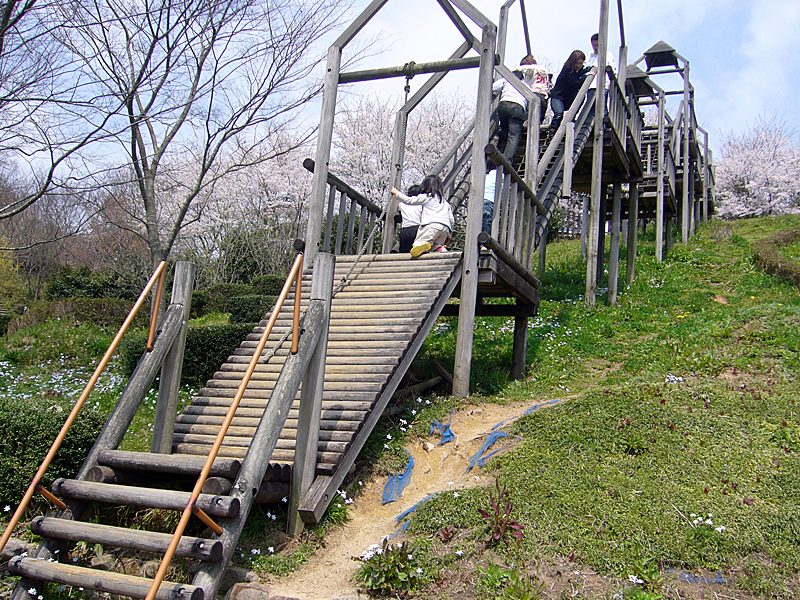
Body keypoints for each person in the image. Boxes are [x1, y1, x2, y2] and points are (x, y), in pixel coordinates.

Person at [390, 175, 453, 257]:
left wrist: (397, 193)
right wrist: (449, 234)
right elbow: (451, 219)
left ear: (427, 187)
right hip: (445, 228)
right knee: (436, 245)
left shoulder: (427, 197)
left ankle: (421, 247)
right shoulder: (445, 202)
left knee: (418, 243)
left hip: (432, 226)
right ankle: (440, 249)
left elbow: (409, 200)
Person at [547, 50, 588, 142]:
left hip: (568, 99)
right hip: (558, 97)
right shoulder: (567, 70)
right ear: (572, 62)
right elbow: (576, 83)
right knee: (558, 114)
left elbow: (582, 71)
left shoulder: (577, 71)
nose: (579, 65)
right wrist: (586, 76)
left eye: (581, 63)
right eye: (577, 63)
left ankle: (572, 118)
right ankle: (552, 133)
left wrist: (589, 69)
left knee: (581, 97)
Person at [491, 70, 529, 164]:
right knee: (514, 136)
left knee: (505, 129)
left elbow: (492, 87)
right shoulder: (525, 85)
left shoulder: (506, 80)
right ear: (522, 78)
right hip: (517, 107)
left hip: (503, 105)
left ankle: (504, 144)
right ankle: (507, 160)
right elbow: (531, 100)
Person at [585, 33, 616, 115]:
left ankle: (602, 126)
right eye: (594, 45)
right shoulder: (590, 56)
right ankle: (590, 127)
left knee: (602, 108)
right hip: (591, 85)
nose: (595, 47)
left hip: (603, 85)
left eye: (597, 45)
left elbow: (613, 70)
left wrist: (611, 84)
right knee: (590, 108)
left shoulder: (608, 55)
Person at [391, 184, 423, 253]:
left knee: (404, 251)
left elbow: (399, 205)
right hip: (417, 229)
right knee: (417, 249)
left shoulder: (403, 204)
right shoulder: (420, 204)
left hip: (405, 230)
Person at [519, 54, 548, 124]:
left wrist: (513, 70)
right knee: (539, 118)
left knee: (529, 115)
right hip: (544, 95)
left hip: (534, 93)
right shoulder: (543, 70)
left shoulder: (532, 68)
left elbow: (523, 68)